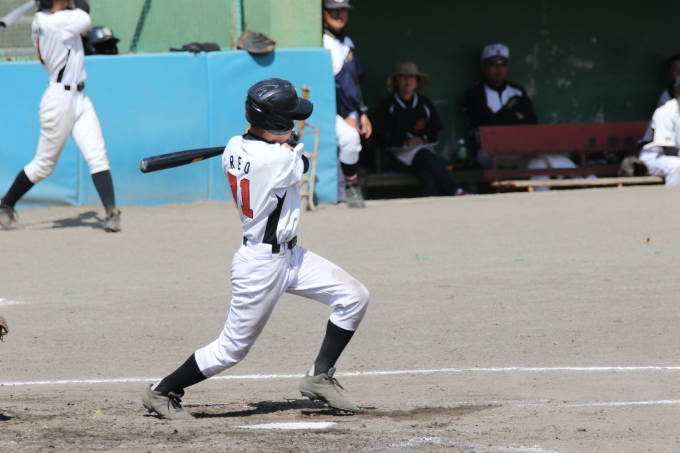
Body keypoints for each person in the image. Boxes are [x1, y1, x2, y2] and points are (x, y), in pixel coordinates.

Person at [141, 79, 370, 420]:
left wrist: (284, 139)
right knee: (231, 350)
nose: (294, 124)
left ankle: (319, 377)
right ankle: (162, 391)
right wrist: (290, 141)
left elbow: (277, 146)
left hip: (292, 256)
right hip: (261, 265)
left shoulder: (235, 146)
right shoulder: (278, 161)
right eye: (290, 119)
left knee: (354, 296)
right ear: (275, 123)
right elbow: (302, 163)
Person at [0, 0, 121, 232]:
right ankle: (5, 206)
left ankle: (111, 212)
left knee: (97, 154)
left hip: (79, 97)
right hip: (58, 100)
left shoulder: (46, 18)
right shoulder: (56, 22)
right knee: (44, 165)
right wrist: (70, 2)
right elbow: (85, 12)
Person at [463, 43, 575, 189]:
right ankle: (578, 173)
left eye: (503, 63)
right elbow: (487, 124)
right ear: (482, 66)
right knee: (537, 150)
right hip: (488, 153)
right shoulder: (475, 94)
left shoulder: (517, 91)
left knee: (537, 163)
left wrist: (504, 116)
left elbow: (531, 121)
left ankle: (542, 200)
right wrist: (513, 113)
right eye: (493, 64)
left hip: (521, 149)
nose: (499, 68)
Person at [373, 62, 465, 197]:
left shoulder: (424, 103)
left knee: (427, 172)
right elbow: (380, 137)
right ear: (395, 81)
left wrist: (430, 144)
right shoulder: (387, 105)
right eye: (402, 77)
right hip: (396, 155)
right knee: (423, 155)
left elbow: (434, 131)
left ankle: (431, 205)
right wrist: (405, 143)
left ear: (417, 81)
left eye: (411, 77)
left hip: (422, 154)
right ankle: (457, 191)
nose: (407, 81)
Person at [322, 0, 372, 208]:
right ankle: (352, 188)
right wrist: (345, 115)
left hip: (350, 109)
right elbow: (326, 86)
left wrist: (362, 112)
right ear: (323, 13)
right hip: (330, 109)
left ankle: (343, 194)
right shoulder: (323, 42)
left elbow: (355, 83)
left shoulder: (346, 42)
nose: (339, 14)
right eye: (333, 10)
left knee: (352, 144)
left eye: (342, 10)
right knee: (350, 138)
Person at [639, 76, 680, 186]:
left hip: (675, 155)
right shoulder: (666, 112)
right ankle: (673, 196)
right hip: (654, 156)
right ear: (677, 94)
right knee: (677, 166)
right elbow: (668, 150)